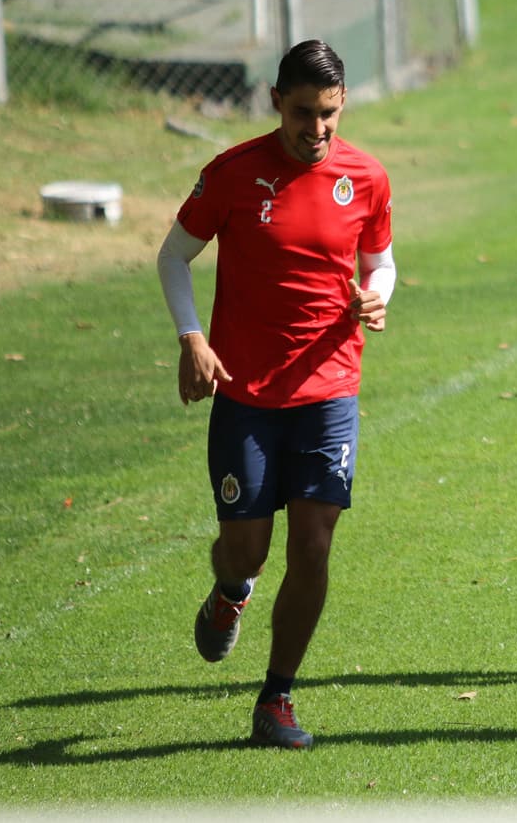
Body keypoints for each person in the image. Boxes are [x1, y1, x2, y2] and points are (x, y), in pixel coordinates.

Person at [156, 39, 395, 749]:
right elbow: (173, 256)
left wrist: (375, 297)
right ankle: (230, 591)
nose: (315, 131)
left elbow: (379, 259)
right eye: (300, 114)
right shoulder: (232, 173)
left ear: (343, 103)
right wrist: (192, 339)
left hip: (329, 388)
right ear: (274, 103)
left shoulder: (367, 177)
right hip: (247, 392)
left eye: (327, 114)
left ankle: (277, 698)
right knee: (247, 550)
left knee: (314, 545)